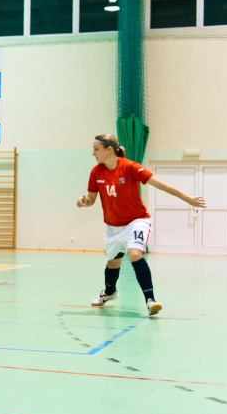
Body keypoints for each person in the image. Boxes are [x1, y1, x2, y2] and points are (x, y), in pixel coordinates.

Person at [76, 134, 207, 316]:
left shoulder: (130, 167)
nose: (93, 153)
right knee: (113, 264)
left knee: (135, 253)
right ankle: (109, 292)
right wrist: (84, 201)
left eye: (96, 149)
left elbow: (162, 185)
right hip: (113, 227)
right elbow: (91, 199)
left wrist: (187, 198)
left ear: (109, 149)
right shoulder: (96, 172)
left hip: (136, 221)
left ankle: (150, 300)